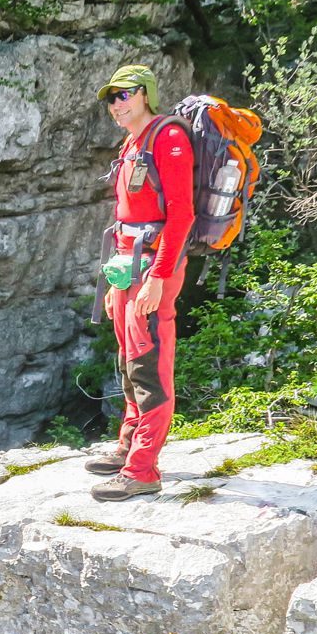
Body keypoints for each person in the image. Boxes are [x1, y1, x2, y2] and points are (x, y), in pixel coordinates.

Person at [87, 64, 192, 501]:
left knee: (148, 364)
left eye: (124, 94)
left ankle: (143, 470)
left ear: (145, 94)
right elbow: (127, 220)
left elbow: (181, 214)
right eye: (110, 97)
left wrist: (158, 279)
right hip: (129, 263)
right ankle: (129, 448)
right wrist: (116, 282)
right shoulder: (133, 142)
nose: (116, 104)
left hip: (155, 267)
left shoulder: (168, 139)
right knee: (130, 357)